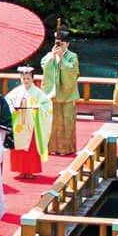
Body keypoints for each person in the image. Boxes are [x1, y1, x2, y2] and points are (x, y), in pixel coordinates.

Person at [7, 64, 51, 178]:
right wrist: (13, 108)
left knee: (31, 148)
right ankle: (21, 170)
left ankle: (30, 171)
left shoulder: (37, 92)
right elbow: (7, 102)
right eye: (24, 78)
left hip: (32, 123)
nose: (26, 81)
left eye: (28, 79)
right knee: (19, 147)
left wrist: (38, 108)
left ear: (32, 79)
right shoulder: (16, 91)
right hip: (19, 124)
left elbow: (47, 104)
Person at [43, 29, 80, 157]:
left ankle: (67, 148)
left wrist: (61, 59)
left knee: (67, 122)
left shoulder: (72, 56)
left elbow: (73, 72)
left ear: (67, 44)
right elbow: (44, 65)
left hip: (67, 95)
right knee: (53, 123)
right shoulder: (50, 55)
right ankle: (52, 147)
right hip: (53, 94)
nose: (59, 46)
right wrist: (53, 57)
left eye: (62, 43)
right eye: (57, 43)